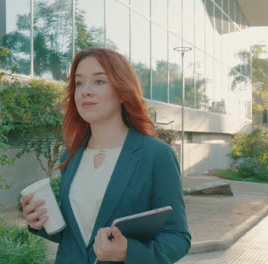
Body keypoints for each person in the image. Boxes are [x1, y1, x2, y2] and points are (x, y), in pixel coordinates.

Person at [20, 47, 191, 264]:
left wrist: (129, 252)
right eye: (79, 83)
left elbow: (178, 238)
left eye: (99, 81)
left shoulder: (156, 155)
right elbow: (77, 234)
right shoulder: (72, 155)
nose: (85, 91)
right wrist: (41, 221)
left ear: (122, 91)